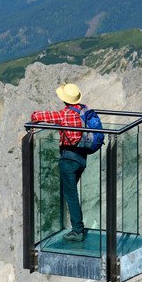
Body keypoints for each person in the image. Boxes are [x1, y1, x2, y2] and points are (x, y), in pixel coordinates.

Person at [31, 83, 90, 242]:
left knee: (71, 195)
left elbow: (38, 116)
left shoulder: (64, 115)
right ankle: (76, 226)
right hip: (82, 157)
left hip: (69, 159)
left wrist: (33, 119)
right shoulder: (84, 110)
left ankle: (77, 231)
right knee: (70, 191)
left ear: (65, 99)